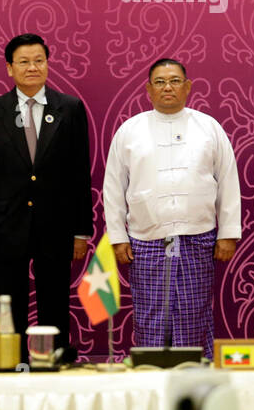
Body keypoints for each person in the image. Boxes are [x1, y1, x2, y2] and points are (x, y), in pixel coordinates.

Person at [102, 59, 241, 358]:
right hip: (146, 239)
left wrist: (228, 234)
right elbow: (113, 188)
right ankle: (152, 378)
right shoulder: (130, 130)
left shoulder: (208, 127)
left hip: (198, 237)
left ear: (188, 87)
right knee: (151, 316)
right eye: (161, 81)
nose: (168, 87)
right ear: (148, 89)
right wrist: (118, 237)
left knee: (195, 312)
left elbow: (228, 181)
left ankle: (194, 378)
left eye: (175, 81)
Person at [0, 34, 92, 356]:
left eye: (39, 60)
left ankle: (53, 360)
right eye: (23, 62)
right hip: (6, 224)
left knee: (55, 299)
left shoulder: (70, 108)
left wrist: (82, 230)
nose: (32, 67)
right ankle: (13, 361)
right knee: (9, 301)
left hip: (57, 224)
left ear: (48, 64)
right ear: (10, 68)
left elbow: (81, 173)